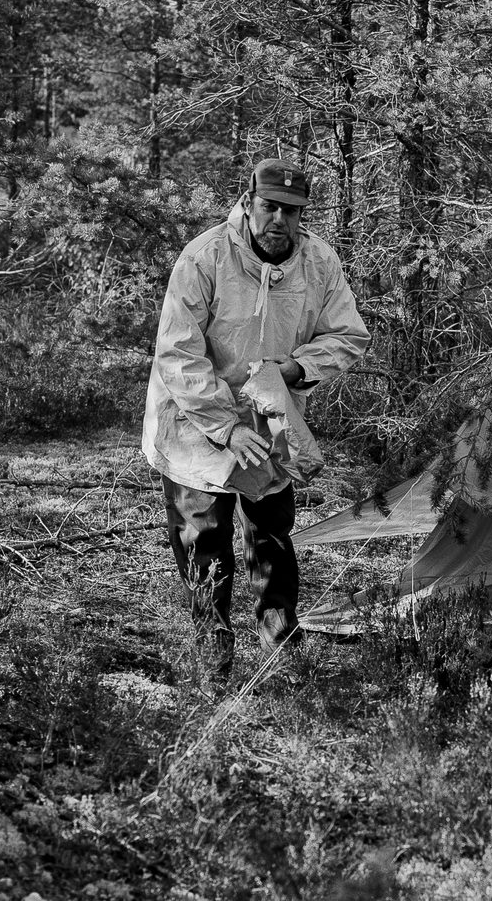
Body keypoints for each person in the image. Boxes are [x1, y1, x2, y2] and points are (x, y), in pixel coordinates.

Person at [142, 157, 369, 682]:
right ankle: (212, 649)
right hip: (196, 422)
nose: (279, 221)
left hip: (270, 423)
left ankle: (279, 644)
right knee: (205, 536)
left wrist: (296, 367)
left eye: (291, 212)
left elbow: (348, 335)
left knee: (272, 532)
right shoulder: (204, 258)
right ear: (248, 204)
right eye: (269, 207)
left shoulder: (318, 262)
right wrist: (227, 425)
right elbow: (178, 355)